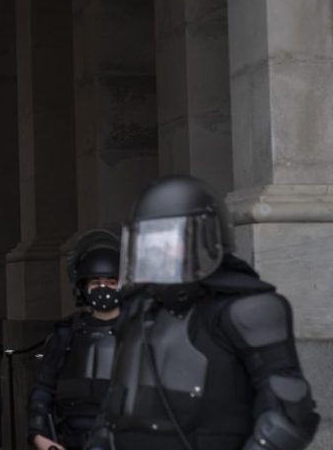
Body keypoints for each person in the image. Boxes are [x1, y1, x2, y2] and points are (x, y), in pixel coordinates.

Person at [88, 175, 319, 450]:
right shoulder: (140, 307)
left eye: (169, 238)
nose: (158, 250)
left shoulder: (248, 310)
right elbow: (115, 405)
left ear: (204, 236)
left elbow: (289, 414)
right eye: (149, 240)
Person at [28, 229, 121, 450]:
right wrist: (39, 436)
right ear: (83, 287)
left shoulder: (139, 332)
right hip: (71, 439)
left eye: (111, 282)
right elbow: (42, 391)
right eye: (96, 282)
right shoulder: (66, 334)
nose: (103, 289)